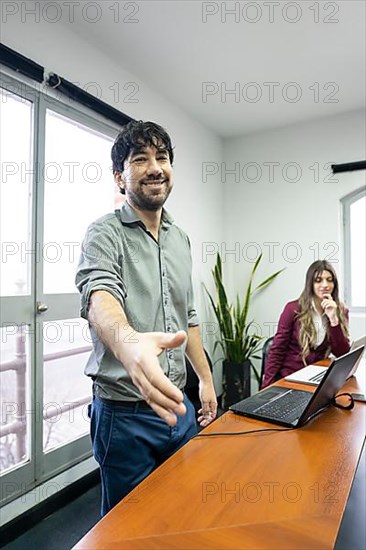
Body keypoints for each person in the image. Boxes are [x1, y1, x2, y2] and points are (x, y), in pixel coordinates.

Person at [75, 120, 217, 515]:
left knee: (185, 507)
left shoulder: (180, 237)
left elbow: (187, 317)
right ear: (120, 177)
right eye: (141, 159)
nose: (155, 167)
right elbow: (99, 295)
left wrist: (205, 380)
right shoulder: (104, 233)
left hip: (180, 407)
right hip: (124, 414)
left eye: (163, 157)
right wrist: (129, 344)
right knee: (130, 527)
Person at [262, 260, 350, 388]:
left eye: (329, 280)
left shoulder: (340, 310)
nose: (325, 285)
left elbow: (342, 353)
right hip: (292, 377)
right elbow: (277, 350)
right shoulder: (293, 309)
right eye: (318, 280)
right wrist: (266, 388)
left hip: (319, 377)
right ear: (310, 284)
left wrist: (334, 320)